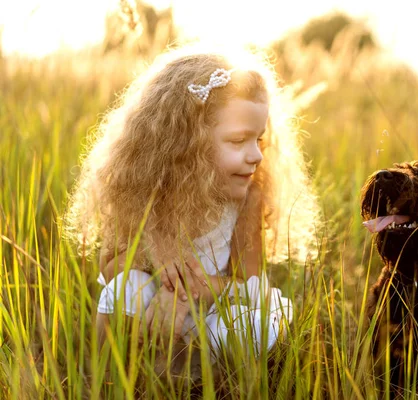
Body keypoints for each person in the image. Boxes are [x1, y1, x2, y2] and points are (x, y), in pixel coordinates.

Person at [63, 43, 320, 363]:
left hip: (214, 311)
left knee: (254, 326)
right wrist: (156, 253)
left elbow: (248, 285)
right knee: (124, 289)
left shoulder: (247, 198)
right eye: (239, 140)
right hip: (155, 316)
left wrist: (187, 290)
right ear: (186, 143)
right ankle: (109, 380)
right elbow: (109, 268)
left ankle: (211, 382)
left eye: (259, 139)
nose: (255, 155)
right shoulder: (143, 194)